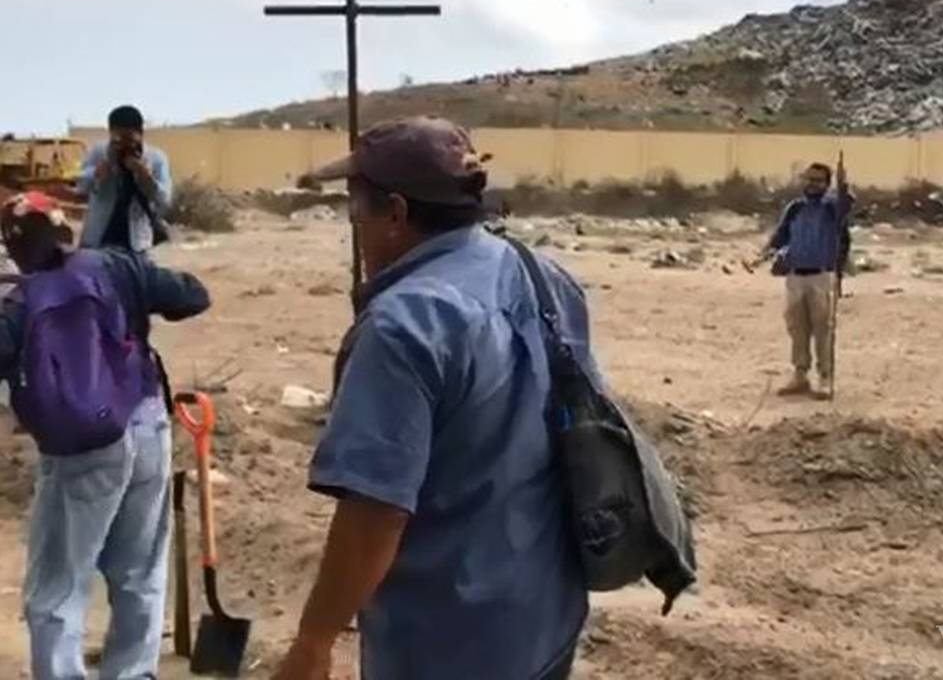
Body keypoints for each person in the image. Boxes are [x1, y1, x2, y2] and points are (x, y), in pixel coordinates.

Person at [276, 117, 588, 680]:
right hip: (546, 613)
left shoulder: (404, 326)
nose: (357, 229)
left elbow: (374, 514)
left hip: (446, 639)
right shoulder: (543, 275)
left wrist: (313, 642)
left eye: (356, 211)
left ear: (394, 213)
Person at [0, 191, 210, 679]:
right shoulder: (115, 266)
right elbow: (193, 295)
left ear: (13, 247)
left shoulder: (19, 301)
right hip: (147, 425)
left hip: (80, 450)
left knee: (56, 588)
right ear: (63, 230)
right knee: (140, 574)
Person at [764, 161, 853, 399]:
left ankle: (825, 377)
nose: (812, 184)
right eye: (808, 179)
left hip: (821, 276)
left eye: (818, 181)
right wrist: (770, 252)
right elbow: (781, 236)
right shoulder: (795, 208)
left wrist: (843, 185)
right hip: (795, 275)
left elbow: (845, 204)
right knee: (797, 328)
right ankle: (800, 374)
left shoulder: (831, 209)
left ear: (826, 184)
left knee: (823, 329)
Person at [78, 105, 173, 253]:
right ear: (110, 133)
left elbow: (164, 200)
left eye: (129, 140)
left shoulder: (156, 159)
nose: (124, 146)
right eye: (118, 140)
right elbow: (81, 187)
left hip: (136, 243)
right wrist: (97, 173)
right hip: (98, 239)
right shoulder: (98, 152)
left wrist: (146, 178)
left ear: (141, 134)